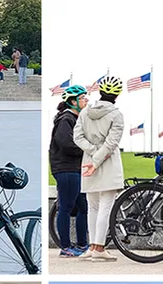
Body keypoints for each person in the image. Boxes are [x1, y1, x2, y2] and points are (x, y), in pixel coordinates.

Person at [73, 76, 126, 262]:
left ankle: (91, 246)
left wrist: (92, 154)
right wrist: (98, 158)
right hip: (107, 163)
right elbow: (111, 143)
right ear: (117, 94)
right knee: (105, 207)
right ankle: (99, 247)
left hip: (88, 161)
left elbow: (77, 137)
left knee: (92, 207)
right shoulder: (116, 115)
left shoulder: (85, 112)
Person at [50, 85, 90, 257]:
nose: (87, 100)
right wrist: (88, 150)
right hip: (66, 169)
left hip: (75, 169)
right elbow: (66, 144)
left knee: (83, 207)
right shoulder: (66, 119)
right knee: (65, 208)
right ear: (73, 101)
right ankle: (65, 247)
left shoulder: (76, 119)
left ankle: (82, 244)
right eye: (83, 98)